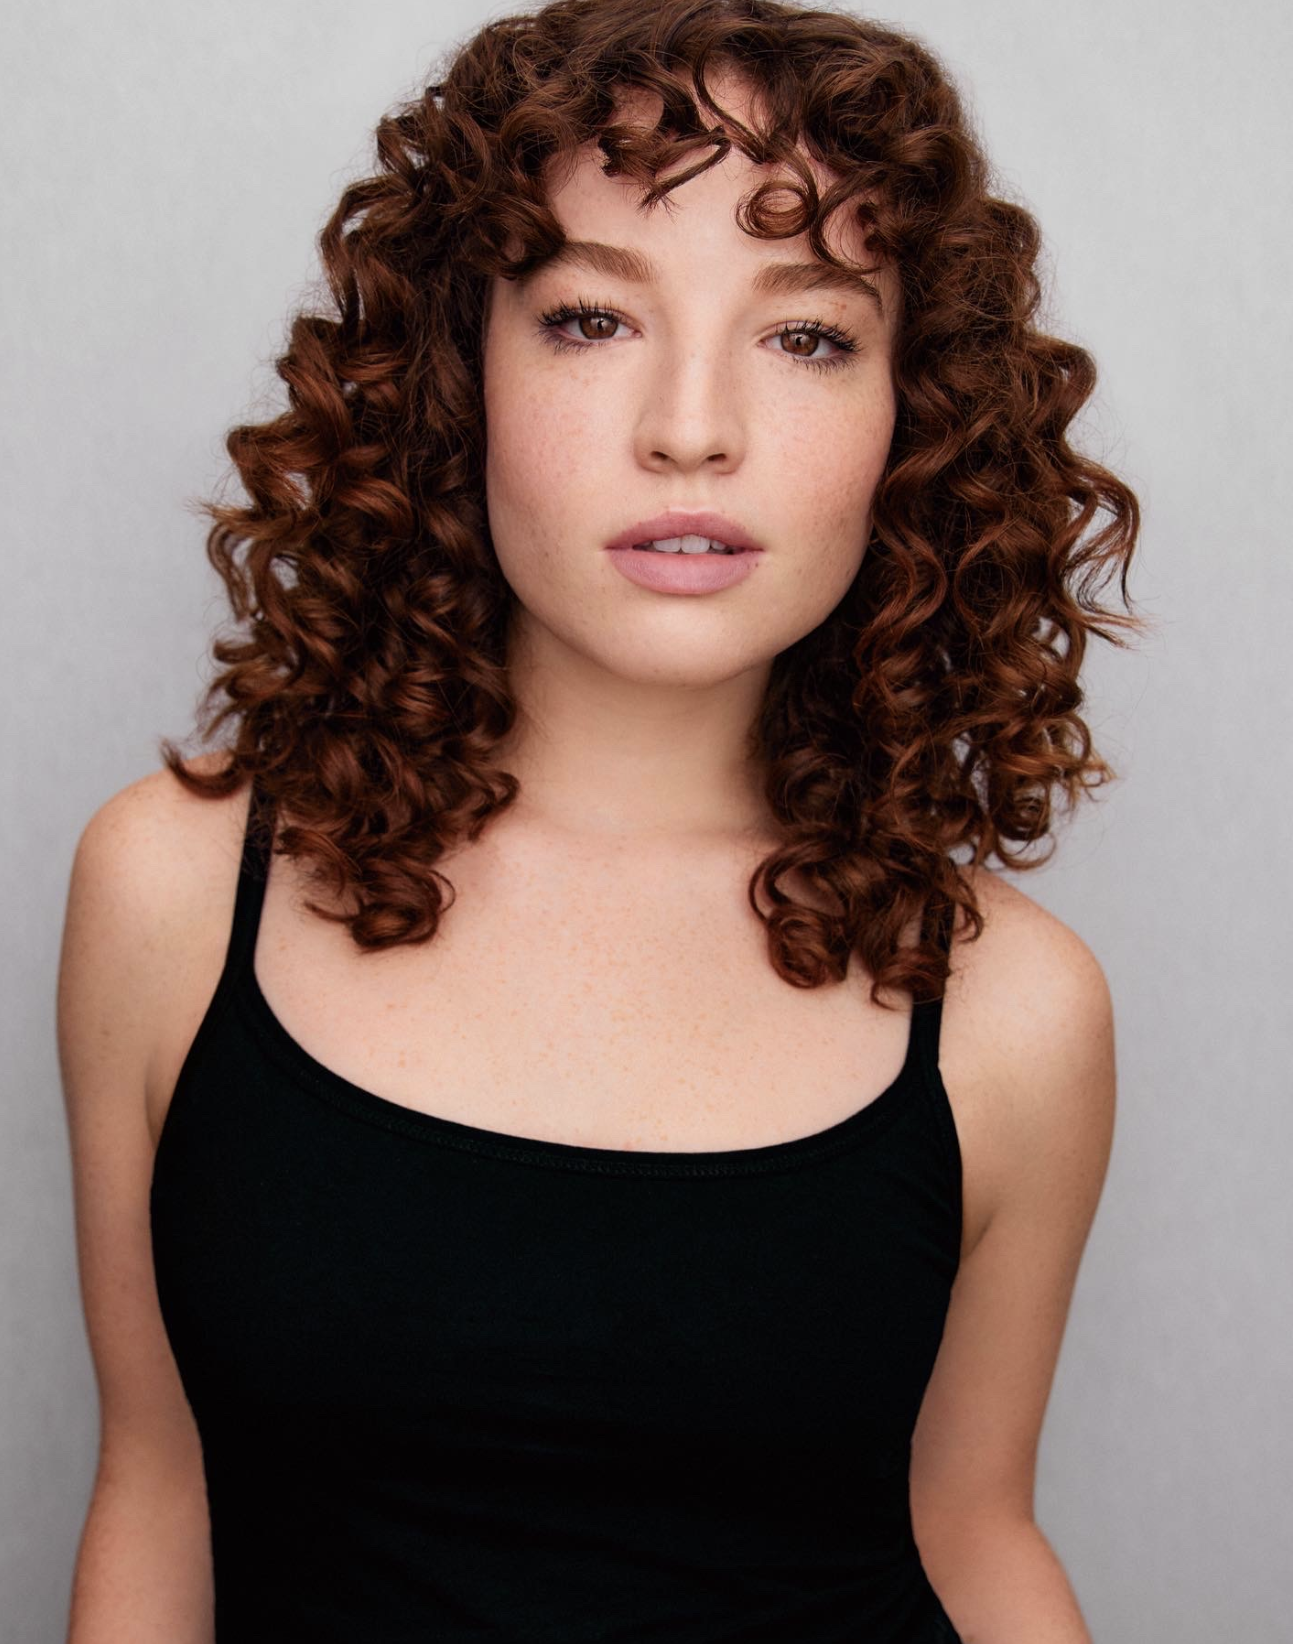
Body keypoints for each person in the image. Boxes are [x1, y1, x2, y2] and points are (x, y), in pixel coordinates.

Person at [56, 0, 1144, 1638]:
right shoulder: (174, 892)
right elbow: (157, 1488)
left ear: (913, 417)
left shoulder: (1013, 1007)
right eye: (589, 319)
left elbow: (973, 1532)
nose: (691, 427)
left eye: (806, 336)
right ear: (458, 379)